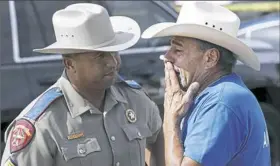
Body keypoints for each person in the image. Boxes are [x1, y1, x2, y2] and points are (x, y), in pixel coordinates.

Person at [1, 3, 162, 166]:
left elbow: (159, 141)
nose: (112, 62)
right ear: (69, 64)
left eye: (115, 52)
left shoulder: (136, 101)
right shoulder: (43, 124)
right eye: (100, 56)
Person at [142, 1, 271, 166]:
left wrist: (170, 117)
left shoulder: (221, 102)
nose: (167, 56)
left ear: (210, 58)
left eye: (178, 50)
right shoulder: (218, 94)